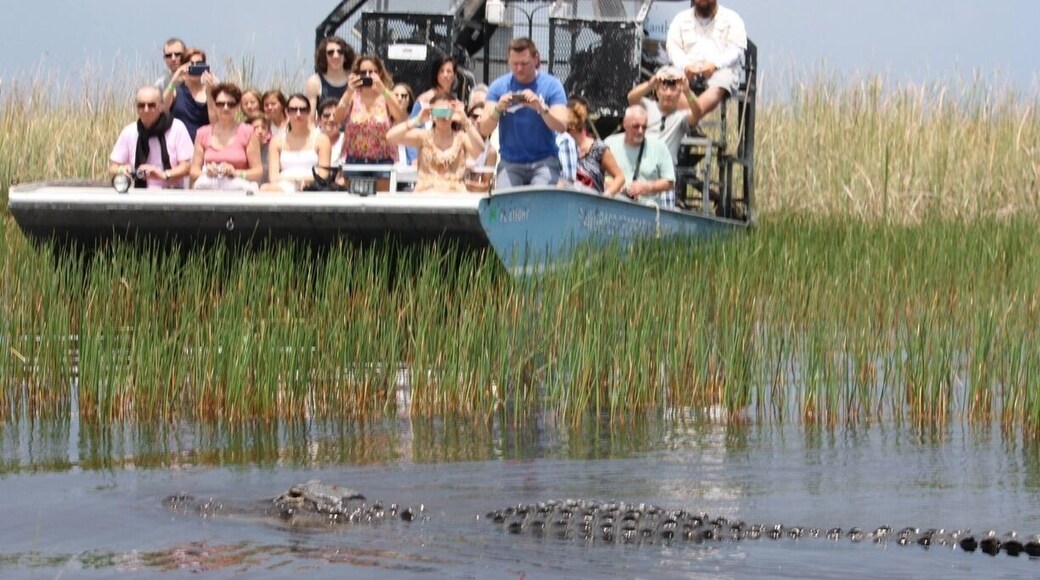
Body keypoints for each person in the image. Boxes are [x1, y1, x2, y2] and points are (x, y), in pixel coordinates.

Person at [479, 38, 568, 188]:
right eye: (514, 64)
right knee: (506, 203)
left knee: (539, 200)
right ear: (508, 61)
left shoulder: (552, 85)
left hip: (544, 161)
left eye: (524, 63)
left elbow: (562, 126)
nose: (519, 68)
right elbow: (484, 129)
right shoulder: (499, 86)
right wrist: (498, 109)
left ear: (536, 59)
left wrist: (541, 108)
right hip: (510, 163)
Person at [665, 0, 747, 127]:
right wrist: (686, 65)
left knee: (723, 80)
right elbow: (673, 48)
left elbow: (736, 49)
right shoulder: (680, 19)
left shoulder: (732, 19)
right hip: (687, 69)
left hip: (719, 70)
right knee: (667, 76)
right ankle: (692, 120)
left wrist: (715, 65)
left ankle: (690, 121)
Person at [386, 91, 484, 193]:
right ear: (432, 113)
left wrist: (465, 120)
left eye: (446, 110)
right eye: (439, 111)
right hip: (425, 194)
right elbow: (390, 137)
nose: (443, 116)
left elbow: (479, 149)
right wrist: (417, 120)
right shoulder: (422, 136)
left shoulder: (462, 138)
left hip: (455, 196)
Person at [109, 85, 193, 189]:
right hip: (139, 196)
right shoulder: (129, 132)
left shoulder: (177, 128)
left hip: (172, 195)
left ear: (161, 106)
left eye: (151, 105)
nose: (146, 110)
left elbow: (186, 167)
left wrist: (162, 175)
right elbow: (112, 168)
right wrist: (122, 170)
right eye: (141, 105)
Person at [331, 55, 406, 165]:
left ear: (379, 73)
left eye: (372, 72)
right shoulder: (352, 96)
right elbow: (337, 118)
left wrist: (383, 90)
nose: (367, 75)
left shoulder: (387, 96)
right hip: (355, 158)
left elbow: (399, 117)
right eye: (363, 72)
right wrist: (349, 92)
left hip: (383, 158)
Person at [189, 83, 262, 190]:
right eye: (220, 104)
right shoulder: (202, 133)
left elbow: (258, 171)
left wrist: (237, 173)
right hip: (210, 188)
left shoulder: (248, 132)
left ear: (237, 106)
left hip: (239, 189)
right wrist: (207, 172)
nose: (226, 108)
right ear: (214, 105)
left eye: (231, 104)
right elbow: (194, 171)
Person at [604, 105, 675, 208]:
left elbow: (669, 182)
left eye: (644, 127)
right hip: (614, 206)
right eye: (636, 126)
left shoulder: (659, 147)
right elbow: (598, 173)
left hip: (647, 208)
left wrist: (647, 187)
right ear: (625, 124)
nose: (640, 131)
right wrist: (608, 182)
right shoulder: (609, 143)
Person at [626, 65, 700, 163]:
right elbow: (631, 97)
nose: (668, 93)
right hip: (641, 165)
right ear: (656, 91)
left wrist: (687, 92)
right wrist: (650, 84)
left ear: (679, 93)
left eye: (673, 89)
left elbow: (697, 113)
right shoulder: (647, 107)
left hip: (665, 171)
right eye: (664, 88)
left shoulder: (681, 117)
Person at [262, 94, 332, 192]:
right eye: (293, 110)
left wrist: (297, 181)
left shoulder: (322, 140)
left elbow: (323, 175)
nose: (298, 114)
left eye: (302, 110)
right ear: (287, 112)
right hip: (282, 187)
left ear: (308, 112)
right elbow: (273, 177)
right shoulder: (277, 141)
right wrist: (292, 182)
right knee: (265, 188)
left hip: (312, 188)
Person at [566, 99, 625, 195]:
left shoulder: (599, 148)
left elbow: (620, 177)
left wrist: (606, 195)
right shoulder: (561, 148)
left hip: (593, 205)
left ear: (572, 127)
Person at [164, 49, 216, 142]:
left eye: (199, 64)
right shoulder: (176, 91)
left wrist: (210, 91)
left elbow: (215, 123)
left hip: (204, 145)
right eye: (191, 64)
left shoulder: (212, 92)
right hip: (179, 146)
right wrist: (174, 81)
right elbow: (162, 108)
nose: (195, 67)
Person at [305, 36, 355, 111]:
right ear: (324, 57)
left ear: (345, 57)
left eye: (340, 52)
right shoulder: (315, 82)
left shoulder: (354, 80)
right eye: (330, 52)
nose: (336, 56)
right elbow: (310, 118)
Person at [247, 113, 272, 184]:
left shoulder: (271, 150)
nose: (260, 131)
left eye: (263, 128)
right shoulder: (241, 150)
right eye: (256, 128)